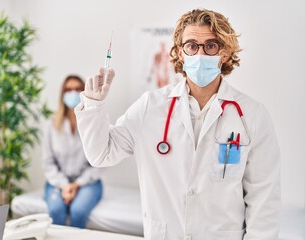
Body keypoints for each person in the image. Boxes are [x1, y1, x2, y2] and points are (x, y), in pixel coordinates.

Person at [75, 9, 280, 240]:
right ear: (180, 53)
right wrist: (93, 105)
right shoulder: (149, 107)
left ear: (224, 53)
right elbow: (101, 154)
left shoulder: (251, 115)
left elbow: (263, 200)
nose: (200, 53)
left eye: (210, 45)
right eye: (191, 45)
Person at [42, 75, 102, 227]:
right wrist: (65, 185)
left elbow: (99, 163)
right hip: (57, 182)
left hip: (87, 183)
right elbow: (48, 163)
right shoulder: (52, 125)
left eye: (77, 89)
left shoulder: (93, 124)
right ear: (62, 94)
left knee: (78, 211)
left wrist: (76, 185)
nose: (73, 93)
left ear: (84, 92)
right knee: (55, 210)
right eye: (68, 89)